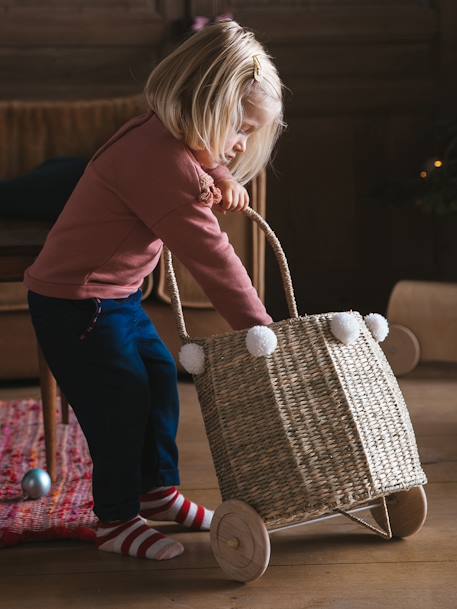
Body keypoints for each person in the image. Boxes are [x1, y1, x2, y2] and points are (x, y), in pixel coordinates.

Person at [24, 20, 286, 561]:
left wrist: (223, 171)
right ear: (205, 106)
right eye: (238, 128)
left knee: (161, 378)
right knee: (120, 400)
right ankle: (116, 518)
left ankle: (156, 490)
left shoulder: (166, 135)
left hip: (114, 296)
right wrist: (263, 330)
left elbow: (200, 149)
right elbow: (213, 258)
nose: (240, 145)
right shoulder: (163, 163)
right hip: (77, 303)